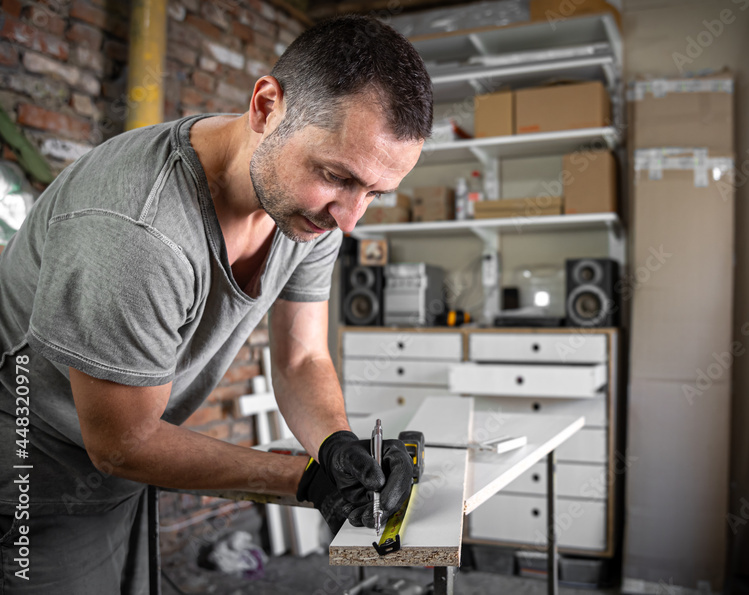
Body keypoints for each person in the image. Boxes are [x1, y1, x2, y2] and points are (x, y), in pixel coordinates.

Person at [0, 14, 432, 593]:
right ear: (265, 106)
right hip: (33, 480)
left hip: (119, 474)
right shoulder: (136, 231)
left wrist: (337, 447)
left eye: (375, 194)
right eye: (336, 175)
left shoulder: (308, 214)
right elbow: (122, 444)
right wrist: (306, 479)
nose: (349, 219)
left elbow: (302, 358)